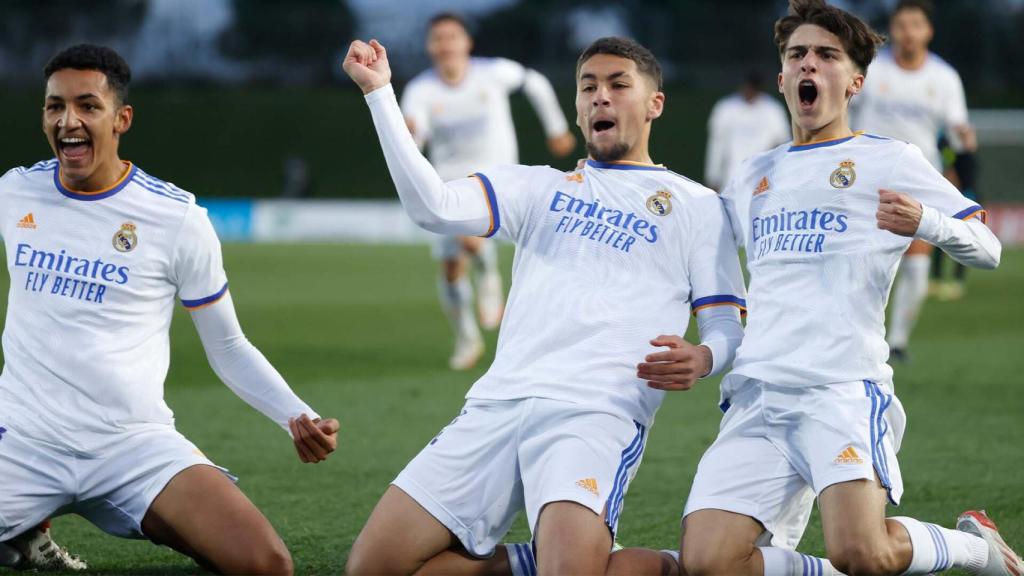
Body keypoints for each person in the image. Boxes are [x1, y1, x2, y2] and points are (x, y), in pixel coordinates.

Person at [342, 35, 746, 575]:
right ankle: (547, 560)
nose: (600, 96)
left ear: (655, 104)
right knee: (371, 569)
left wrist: (704, 358)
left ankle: (660, 567)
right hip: (496, 406)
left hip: (594, 416)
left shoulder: (698, 207)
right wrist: (380, 94)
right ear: (578, 108)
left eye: (618, 84)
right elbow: (432, 207)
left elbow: (727, 325)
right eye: (588, 87)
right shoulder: (537, 187)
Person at [667, 2, 1020, 575]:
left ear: (855, 81)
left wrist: (925, 223)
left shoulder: (888, 159)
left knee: (862, 551)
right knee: (706, 562)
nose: (810, 64)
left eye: (827, 55)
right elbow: (693, 253)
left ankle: (979, 549)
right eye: (797, 55)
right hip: (758, 394)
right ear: (783, 77)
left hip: (839, 391)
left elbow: (988, 246)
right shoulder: (753, 175)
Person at [0, 44, 340, 575]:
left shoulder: (175, 219)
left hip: (132, 447)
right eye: (54, 106)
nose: (68, 120)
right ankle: (23, 527)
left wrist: (296, 414)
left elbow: (227, 344)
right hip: (21, 443)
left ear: (121, 118)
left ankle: (20, 529)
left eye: (88, 105)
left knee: (265, 564)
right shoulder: (15, 193)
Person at [400, 12, 577, 370]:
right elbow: (413, 142)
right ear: (430, 46)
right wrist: (412, 133)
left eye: (453, 36)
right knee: (451, 268)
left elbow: (536, 82)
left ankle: (491, 275)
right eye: (438, 38)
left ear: (467, 42)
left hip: (496, 175)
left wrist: (557, 127)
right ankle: (467, 337)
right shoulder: (420, 90)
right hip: (447, 179)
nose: (446, 44)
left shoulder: (492, 72)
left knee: (470, 237)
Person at [852, 0, 977, 362]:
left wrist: (963, 142)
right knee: (863, 265)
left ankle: (898, 343)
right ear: (892, 29)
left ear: (928, 31)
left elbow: (957, 131)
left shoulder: (944, 78)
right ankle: (862, 339)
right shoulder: (871, 71)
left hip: (918, 180)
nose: (908, 32)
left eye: (916, 25)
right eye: (902, 24)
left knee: (918, 267)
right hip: (867, 178)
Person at [704, 71, 790, 191]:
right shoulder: (725, 108)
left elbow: (782, 145)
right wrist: (713, 177)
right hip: (730, 179)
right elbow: (716, 145)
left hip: (762, 182)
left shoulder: (773, 110)